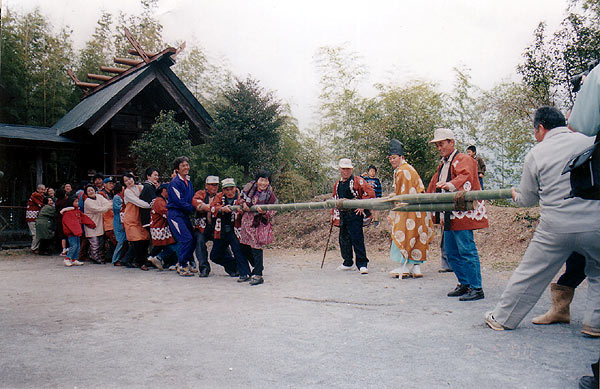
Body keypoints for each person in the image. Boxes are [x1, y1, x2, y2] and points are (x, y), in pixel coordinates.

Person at [484, 107, 600, 335]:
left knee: (531, 272)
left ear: (541, 128)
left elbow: (527, 199)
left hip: (555, 227)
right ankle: (595, 324)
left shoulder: (537, 154)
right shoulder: (589, 141)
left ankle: (503, 318)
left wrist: (515, 195)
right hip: (594, 224)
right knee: (598, 271)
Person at [426, 128, 488, 301]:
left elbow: (466, 177)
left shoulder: (464, 159)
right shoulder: (443, 164)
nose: (439, 148)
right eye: (437, 145)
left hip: (463, 211)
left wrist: (450, 184)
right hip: (449, 213)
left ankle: (476, 287)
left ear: (451, 142)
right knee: (451, 251)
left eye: (441, 144)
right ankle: (465, 282)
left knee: (466, 249)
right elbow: (433, 185)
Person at [387, 139, 434, 279]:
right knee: (417, 235)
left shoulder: (402, 171)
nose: (392, 161)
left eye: (394, 158)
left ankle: (403, 266)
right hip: (419, 209)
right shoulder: (409, 168)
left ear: (401, 157)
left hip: (409, 208)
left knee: (403, 233)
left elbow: (402, 193)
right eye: (390, 158)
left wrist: (393, 206)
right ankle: (416, 267)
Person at [332, 158, 376, 275]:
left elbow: (370, 193)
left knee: (357, 239)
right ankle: (347, 262)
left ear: (351, 170)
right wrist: (334, 215)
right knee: (344, 239)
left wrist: (362, 205)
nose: (346, 171)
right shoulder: (337, 184)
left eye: (348, 169)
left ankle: (362, 264)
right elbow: (334, 199)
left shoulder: (358, 181)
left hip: (355, 214)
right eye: (343, 169)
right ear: (340, 170)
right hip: (343, 214)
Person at [192, 176, 238, 278]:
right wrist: (213, 207)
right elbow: (197, 203)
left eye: (216, 185)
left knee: (223, 248)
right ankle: (204, 268)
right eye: (212, 185)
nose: (214, 187)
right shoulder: (201, 193)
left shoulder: (221, 195)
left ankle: (233, 268)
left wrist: (216, 207)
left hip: (216, 227)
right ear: (206, 185)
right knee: (199, 242)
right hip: (202, 226)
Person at [239, 171, 278, 285]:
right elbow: (240, 198)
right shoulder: (249, 189)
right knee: (244, 247)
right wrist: (243, 204)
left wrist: (265, 212)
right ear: (257, 180)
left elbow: (274, 208)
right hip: (247, 223)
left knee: (256, 247)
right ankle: (257, 267)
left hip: (259, 223)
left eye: (266, 180)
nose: (263, 183)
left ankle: (258, 274)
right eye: (261, 179)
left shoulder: (270, 194)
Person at [210, 178, 248, 282]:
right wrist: (222, 209)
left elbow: (247, 207)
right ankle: (234, 267)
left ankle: (244, 273)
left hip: (235, 229)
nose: (229, 192)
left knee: (237, 250)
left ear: (235, 188)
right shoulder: (219, 196)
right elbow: (212, 207)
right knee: (214, 255)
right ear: (223, 190)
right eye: (226, 189)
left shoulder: (241, 197)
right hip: (221, 230)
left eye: (231, 189)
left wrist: (240, 211)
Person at [167, 156, 197, 277]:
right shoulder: (174, 183)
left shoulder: (188, 182)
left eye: (187, 165)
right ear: (177, 169)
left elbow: (192, 198)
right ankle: (182, 265)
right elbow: (179, 201)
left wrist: (198, 204)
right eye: (183, 165)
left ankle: (187, 262)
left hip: (184, 215)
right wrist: (194, 208)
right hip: (175, 214)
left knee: (193, 238)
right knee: (186, 239)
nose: (186, 167)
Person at [122, 173, 152, 269]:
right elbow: (138, 202)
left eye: (129, 178)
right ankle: (140, 262)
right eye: (126, 181)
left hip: (140, 218)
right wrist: (150, 205)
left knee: (144, 239)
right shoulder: (127, 192)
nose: (129, 181)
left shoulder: (140, 187)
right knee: (136, 240)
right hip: (131, 218)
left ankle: (128, 260)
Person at [147, 184, 178, 271]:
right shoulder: (159, 201)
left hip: (159, 227)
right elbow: (167, 213)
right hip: (160, 228)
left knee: (168, 245)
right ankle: (158, 258)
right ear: (164, 190)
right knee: (173, 245)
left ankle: (156, 258)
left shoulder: (160, 200)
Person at [61, 196, 95, 267]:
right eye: (75, 201)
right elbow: (72, 224)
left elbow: (84, 218)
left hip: (76, 232)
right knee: (73, 246)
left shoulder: (76, 211)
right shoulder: (68, 213)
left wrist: (91, 223)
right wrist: (77, 231)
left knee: (78, 246)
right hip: (72, 232)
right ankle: (67, 258)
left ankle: (74, 259)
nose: (77, 203)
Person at [83, 185, 113, 264]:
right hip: (91, 223)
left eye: (92, 190)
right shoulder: (87, 201)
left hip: (99, 222)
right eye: (88, 191)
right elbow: (98, 209)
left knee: (100, 242)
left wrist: (106, 207)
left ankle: (96, 256)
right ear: (86, 193)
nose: (91, 192)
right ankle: (95, 257)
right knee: (94, 242)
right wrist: (106, 207)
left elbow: (108, 203)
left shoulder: (99, 196)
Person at [98, 177, 117, 263]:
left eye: (112, 183)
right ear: (104, 184)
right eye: (109, 183)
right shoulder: (101, 194)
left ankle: (110, 256)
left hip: (113, 219)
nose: (111, 185)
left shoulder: (113, 193)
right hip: (106, 220)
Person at [26, 184, 45, 253]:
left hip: (35, 217)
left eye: (44, 189)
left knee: (36, 233)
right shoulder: (36, 195)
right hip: (32, 216)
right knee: (36, 234)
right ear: (38, 190)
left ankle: (35, 247)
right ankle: (34, 248)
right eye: (42, 189)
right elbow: (42, 204)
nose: (43, 191)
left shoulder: (37, 196)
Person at [111, 182, 127, 266]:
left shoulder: (122, 197)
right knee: (120, 241)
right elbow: (117, 208)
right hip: (118, 221)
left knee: (124, 241)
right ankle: (115, 259)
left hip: (123, 220)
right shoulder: (116, 197)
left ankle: (120, 258)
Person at [55, 188, 70, 257]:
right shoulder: (65, 201)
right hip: (66, 219)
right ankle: (68, 248)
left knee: (62, 235)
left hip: (59, 219)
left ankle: (63, 249)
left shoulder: (57, 202)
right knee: (67, 234)